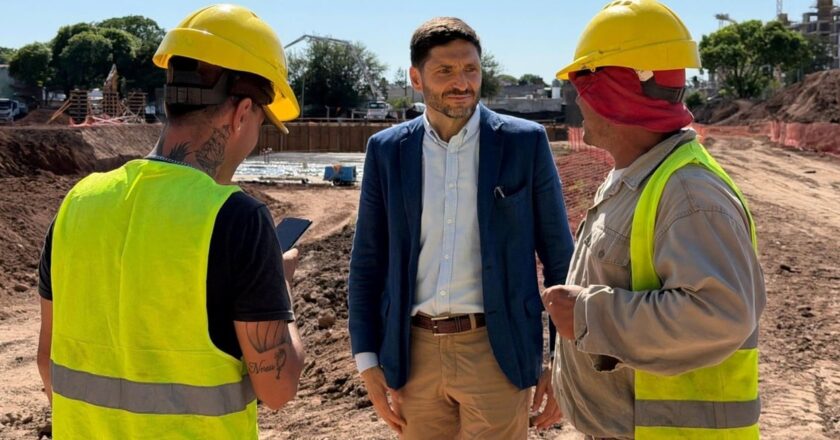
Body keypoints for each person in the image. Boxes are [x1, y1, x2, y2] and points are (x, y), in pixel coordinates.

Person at [35, 5, 306, 438]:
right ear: (242, 113)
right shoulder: (237, 218)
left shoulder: (78, 202)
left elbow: (47, 363)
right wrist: (281, 285)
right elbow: (277, 389)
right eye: (262, 122)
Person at [542, 1, 766, 439]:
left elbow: (721, 314)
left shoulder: (688, 194)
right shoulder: (636, 175)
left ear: (611, 93)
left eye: (582, 89)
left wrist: (589, 316)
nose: (577, 104)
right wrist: (568, 370)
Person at [348, 17, 575, 439]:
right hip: (413, 355)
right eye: (445, 71)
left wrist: (564, 357)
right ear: (416, 78)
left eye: (470, 69)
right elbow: (367, 262)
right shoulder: (387, 151)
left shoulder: (524, 143)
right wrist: (367, 361)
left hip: (497, 351)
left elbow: (561, 256)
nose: (462, 82)